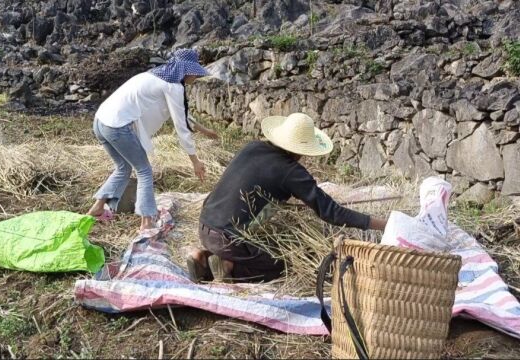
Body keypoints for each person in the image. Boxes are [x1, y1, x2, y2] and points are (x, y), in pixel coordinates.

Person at [186, 112, 388, 283]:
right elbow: (331, 212)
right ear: (303, 150)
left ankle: (203, 256)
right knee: (283, 265)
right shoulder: (292, 172)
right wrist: (381, 224)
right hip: (227, 239)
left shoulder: (252, 147)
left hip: (205, 224)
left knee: (249, 248)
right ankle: (228, 264)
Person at [86, 48, 217, 231]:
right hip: (118, 127)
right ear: (186, 69)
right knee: (144, 171)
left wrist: (204, 130)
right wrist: (195, 161)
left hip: (101, 121)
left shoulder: (153, 76)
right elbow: (180, 126)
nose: (196, 76)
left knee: (123, 167)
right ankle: (146, 222)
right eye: (194, 71)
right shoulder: (173, 86)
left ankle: (97, 208)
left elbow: (181, 114)